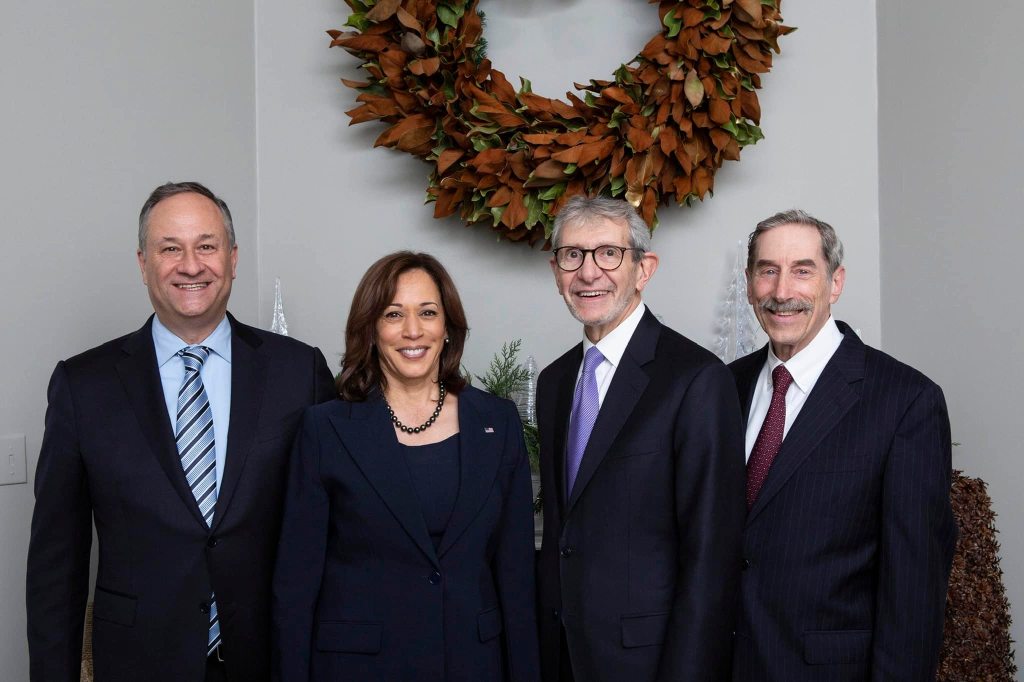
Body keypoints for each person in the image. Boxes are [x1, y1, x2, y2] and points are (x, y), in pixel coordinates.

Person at [26, 181, 336, 682]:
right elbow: (54, 569)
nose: (191, 265)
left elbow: (335, 535)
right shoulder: (84, 386)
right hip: (139, 661)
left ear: (233, 258)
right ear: (143, 263)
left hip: (273, 658)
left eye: (206, 246)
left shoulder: (299, 372)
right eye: (170, 248)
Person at [271, 251, 540, 681]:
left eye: (428, 312)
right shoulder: (325, 430)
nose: (412, 330)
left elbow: (517, 577)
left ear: (448, 328)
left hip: (474, 665)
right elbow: (295, 589)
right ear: (372, 330)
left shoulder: (498, 422)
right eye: (393, 314)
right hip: (358, 668)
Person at [730, 209, 957, 680]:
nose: (781, 291)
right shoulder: (721, 388)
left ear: (835, 283)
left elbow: (913, 591)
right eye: (767, 270)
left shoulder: (905, 401)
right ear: (750, 283)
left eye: (802, 271)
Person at [535, 195, 746, 681]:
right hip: (563, 652)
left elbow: (711, 555)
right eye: (573, 255)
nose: (589, 273)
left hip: (648, 661)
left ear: (643, 268)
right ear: (555, 270)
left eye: (608, 253)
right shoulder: (554, 381)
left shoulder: (695, 379)